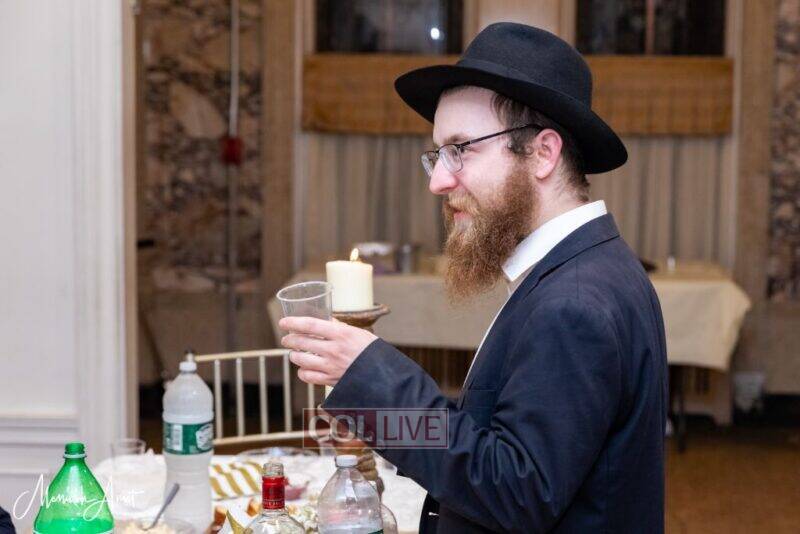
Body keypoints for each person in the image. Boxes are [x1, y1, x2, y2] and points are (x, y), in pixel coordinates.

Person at [280, 22, 667, 533]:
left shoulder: (574, 302)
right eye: (437, 155)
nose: (439, 181)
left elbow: (516, 490)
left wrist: (374, 379)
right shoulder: (583, 267)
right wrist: (375, 411)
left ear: (543, 153)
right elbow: (492, 440)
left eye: (461, 149)